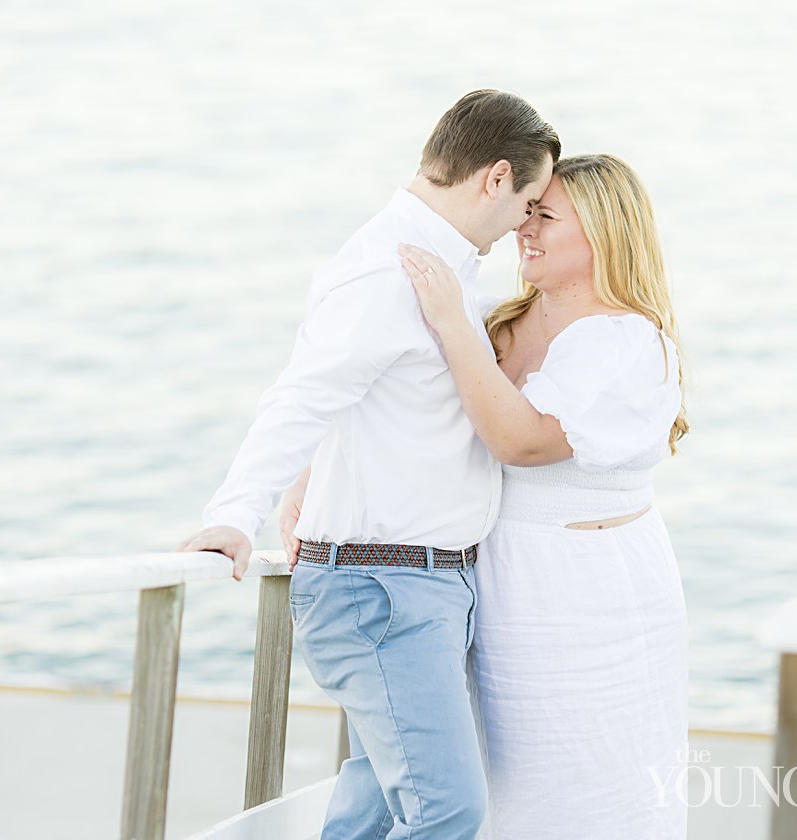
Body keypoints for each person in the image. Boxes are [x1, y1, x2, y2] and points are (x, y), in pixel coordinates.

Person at [177, 90, 562, 839]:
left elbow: (369, 401)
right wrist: (232, 514)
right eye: (529, 201)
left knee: (379, 803)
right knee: (446, 807)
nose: (526, 224)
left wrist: (308, 478)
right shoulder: (389, 271)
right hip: (382, 586)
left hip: (416, 585)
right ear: (495, 177)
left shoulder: (436, 268)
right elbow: (303, 396)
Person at [394, 153, 690, 838]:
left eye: (544, 216)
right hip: (502, 582)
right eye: (525, 212)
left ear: (603, 234)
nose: (523, 229)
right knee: (511, 788)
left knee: (596, 788)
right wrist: (305, 485)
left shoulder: (626, 340)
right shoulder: (498, 321)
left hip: (594, 595)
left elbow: (522, 441)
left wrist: (452, 323)